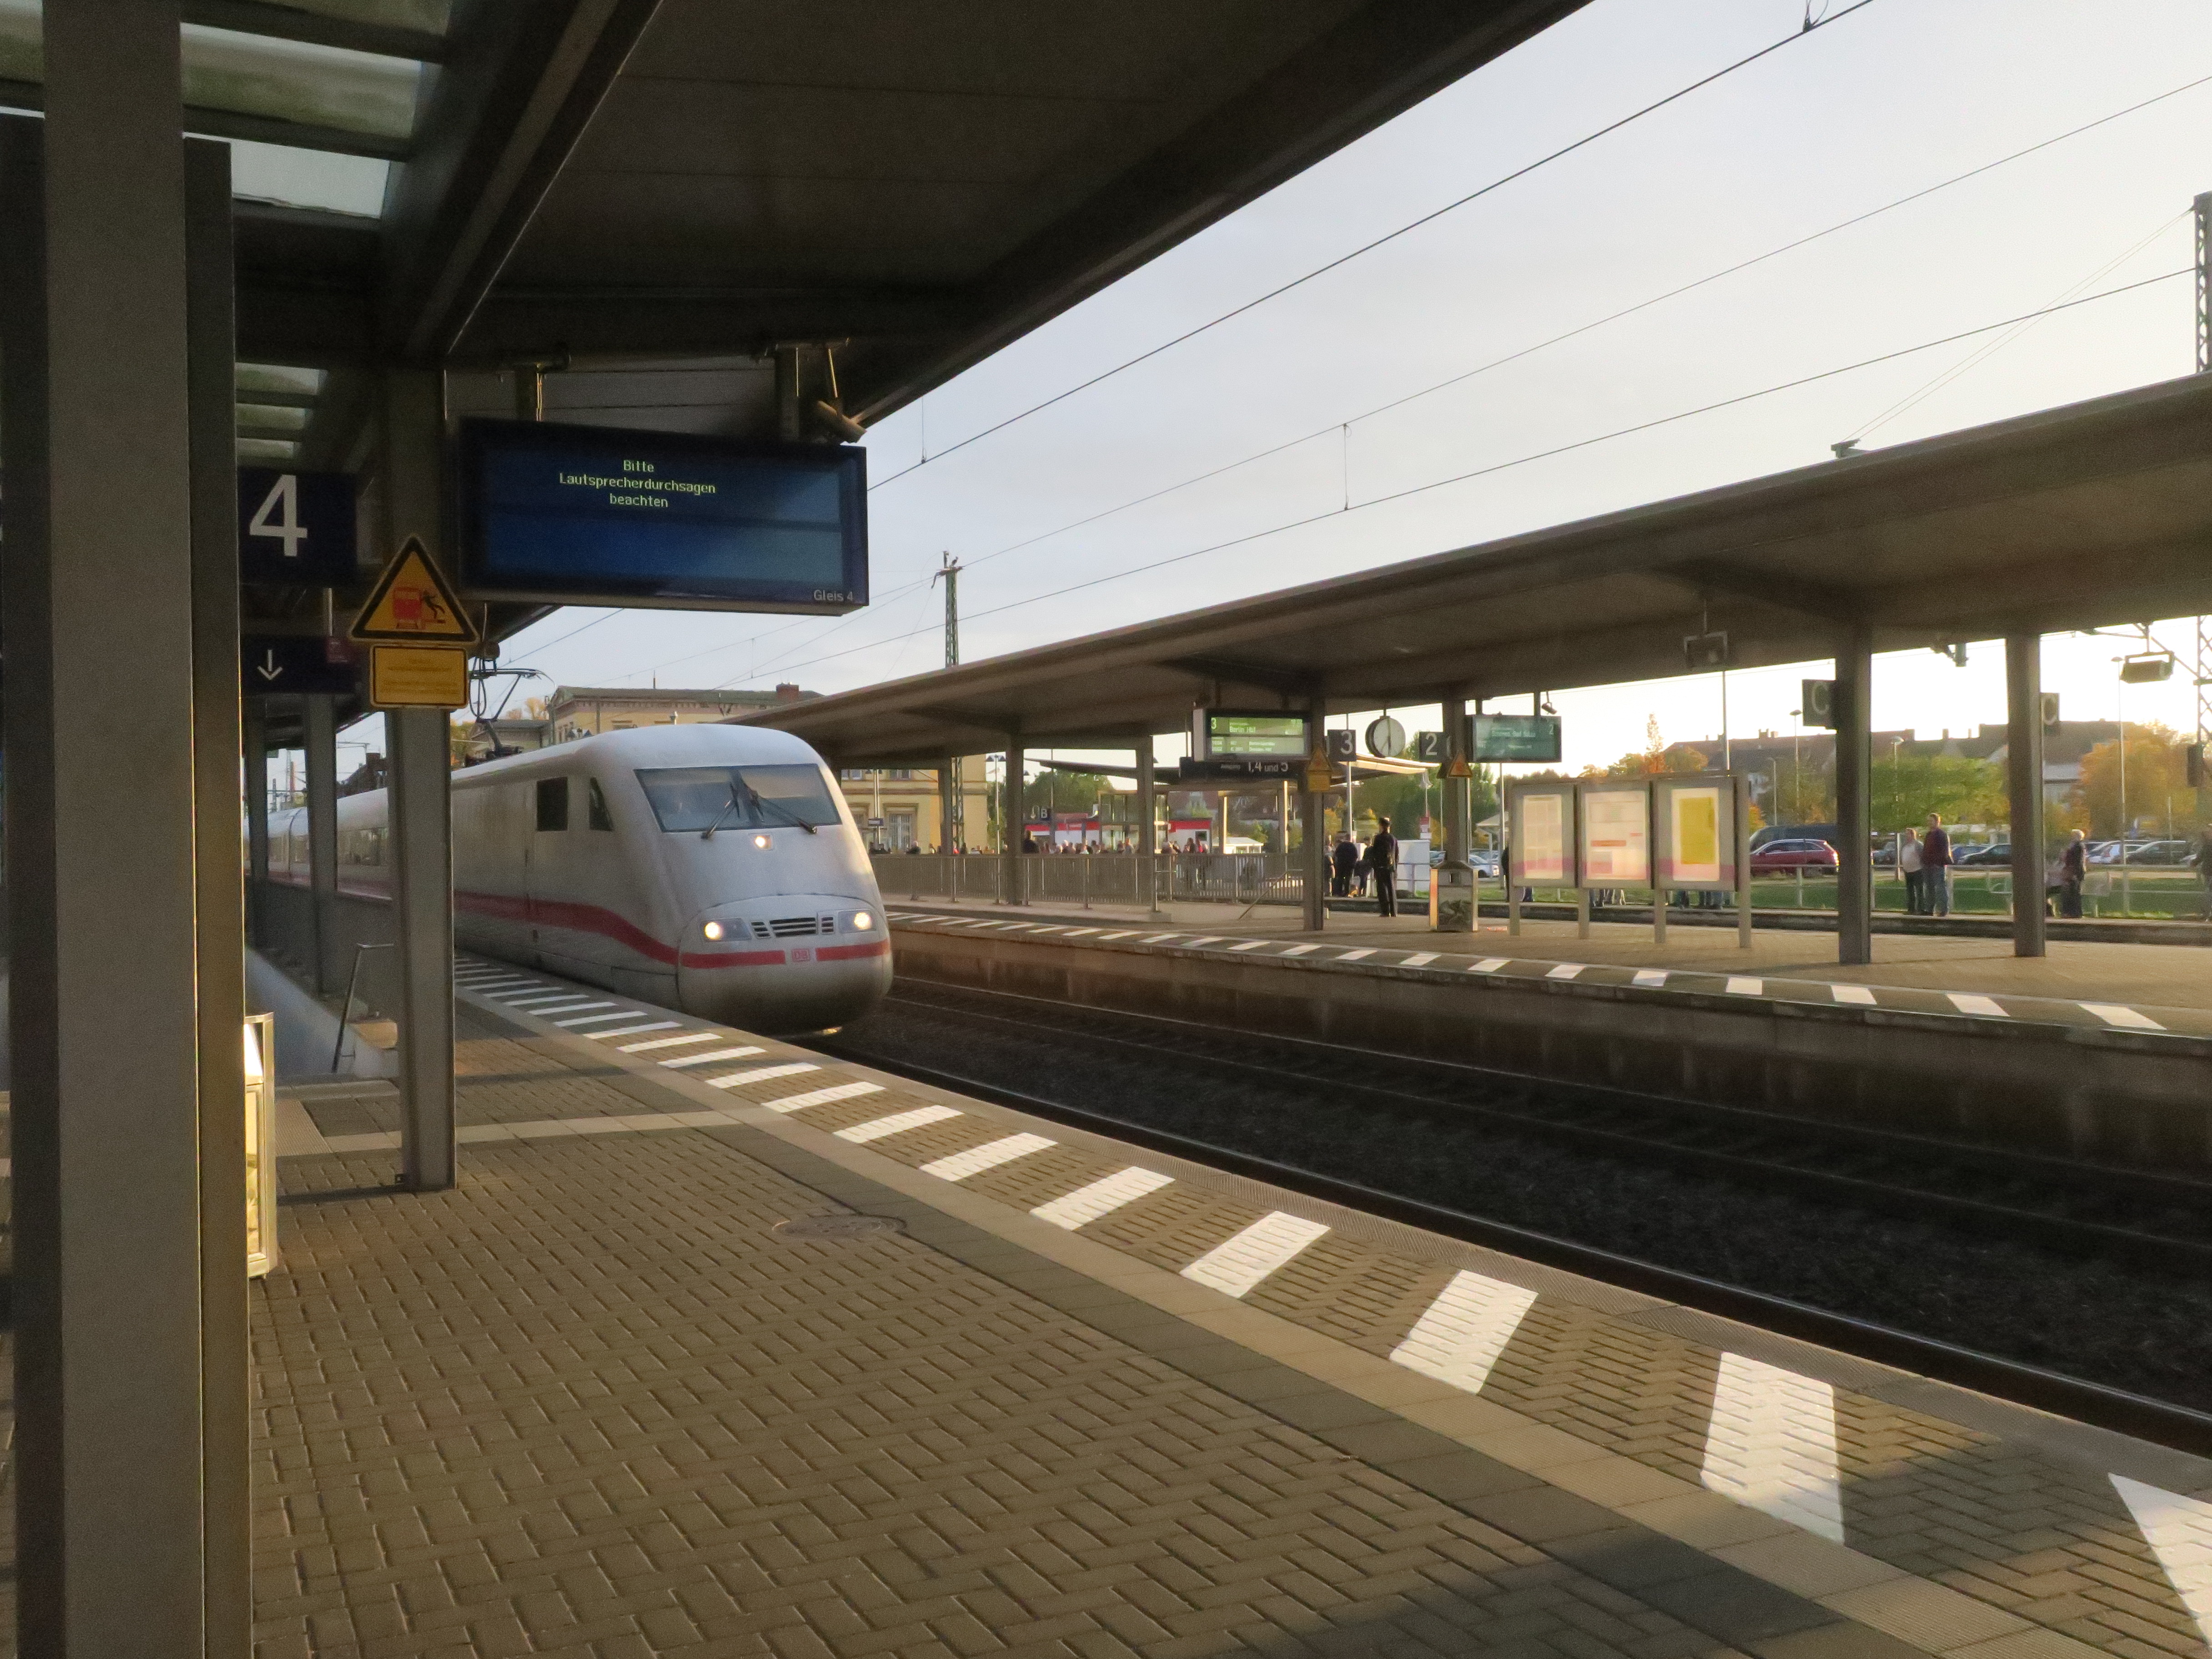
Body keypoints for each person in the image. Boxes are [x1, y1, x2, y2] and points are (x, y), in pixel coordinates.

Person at [1366, 815, 1399, 917]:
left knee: (1382, 890)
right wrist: (1395, 867)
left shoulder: (1378, 838)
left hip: (1381, 867)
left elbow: (1375, 853)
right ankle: (1394, 911)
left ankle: (1385, 911)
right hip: (1391, 868)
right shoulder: (1394, 839)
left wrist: (1375, 866)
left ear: (1382, 826)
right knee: (1391, 890)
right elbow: (1397, 855)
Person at [1921, 813, 1953, 917]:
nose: (1929, 823)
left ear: (1937, 822)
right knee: (1929, 888)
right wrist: (1924, 861)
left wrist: (1938, 862)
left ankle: (1944, 910)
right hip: (1927, 864)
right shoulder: (1928, 835)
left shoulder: (1942, 834)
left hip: (1937, 865)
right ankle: (1929, 909)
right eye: (1928, 821)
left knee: (1940, 888)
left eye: (1931, 821)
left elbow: (1944, 851)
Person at [2059, 828, 2088, 919]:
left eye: (2073, 835)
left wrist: (2076, 873)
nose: (2071, 837)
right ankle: (2071, 912)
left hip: (2075, 871)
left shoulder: (2079, 846)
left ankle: (2074, 913)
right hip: (2073, 870)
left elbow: (2079, 861)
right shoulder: (2075, 846)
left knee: (2074, 892)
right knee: (2071, 892)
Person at [1898, 828, 1923, 915]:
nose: (1906, 836)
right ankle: (1911, 909)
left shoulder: (1918, 845)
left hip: (1918, 870)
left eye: (1908, 834)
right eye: (1906, 834)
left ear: (1913, 835)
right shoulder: (1905, 846)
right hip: (1908, 871)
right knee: (1910, 891)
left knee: (1919, 891)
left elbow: (1923, 857)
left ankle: (1920, 909)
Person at [2192, 820, 2212, 919]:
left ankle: (2207, 913)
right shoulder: (2208, 844)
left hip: (2208, 871)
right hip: (2208, 871)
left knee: (2209, 892)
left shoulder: (2208, 844)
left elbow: (2201, 856)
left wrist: (2194, 863)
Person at [1330, 833, 1357, 898]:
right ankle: (1347, 892)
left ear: (1345, 838)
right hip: (1350, 865)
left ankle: (1339, 892)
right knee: (1348, 879)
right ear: (1350, 839)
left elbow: (1337, 854)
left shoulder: (1341, 846)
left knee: (1340, 878)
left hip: (1341, 865)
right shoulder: (1353, 846)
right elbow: (1356, 856)